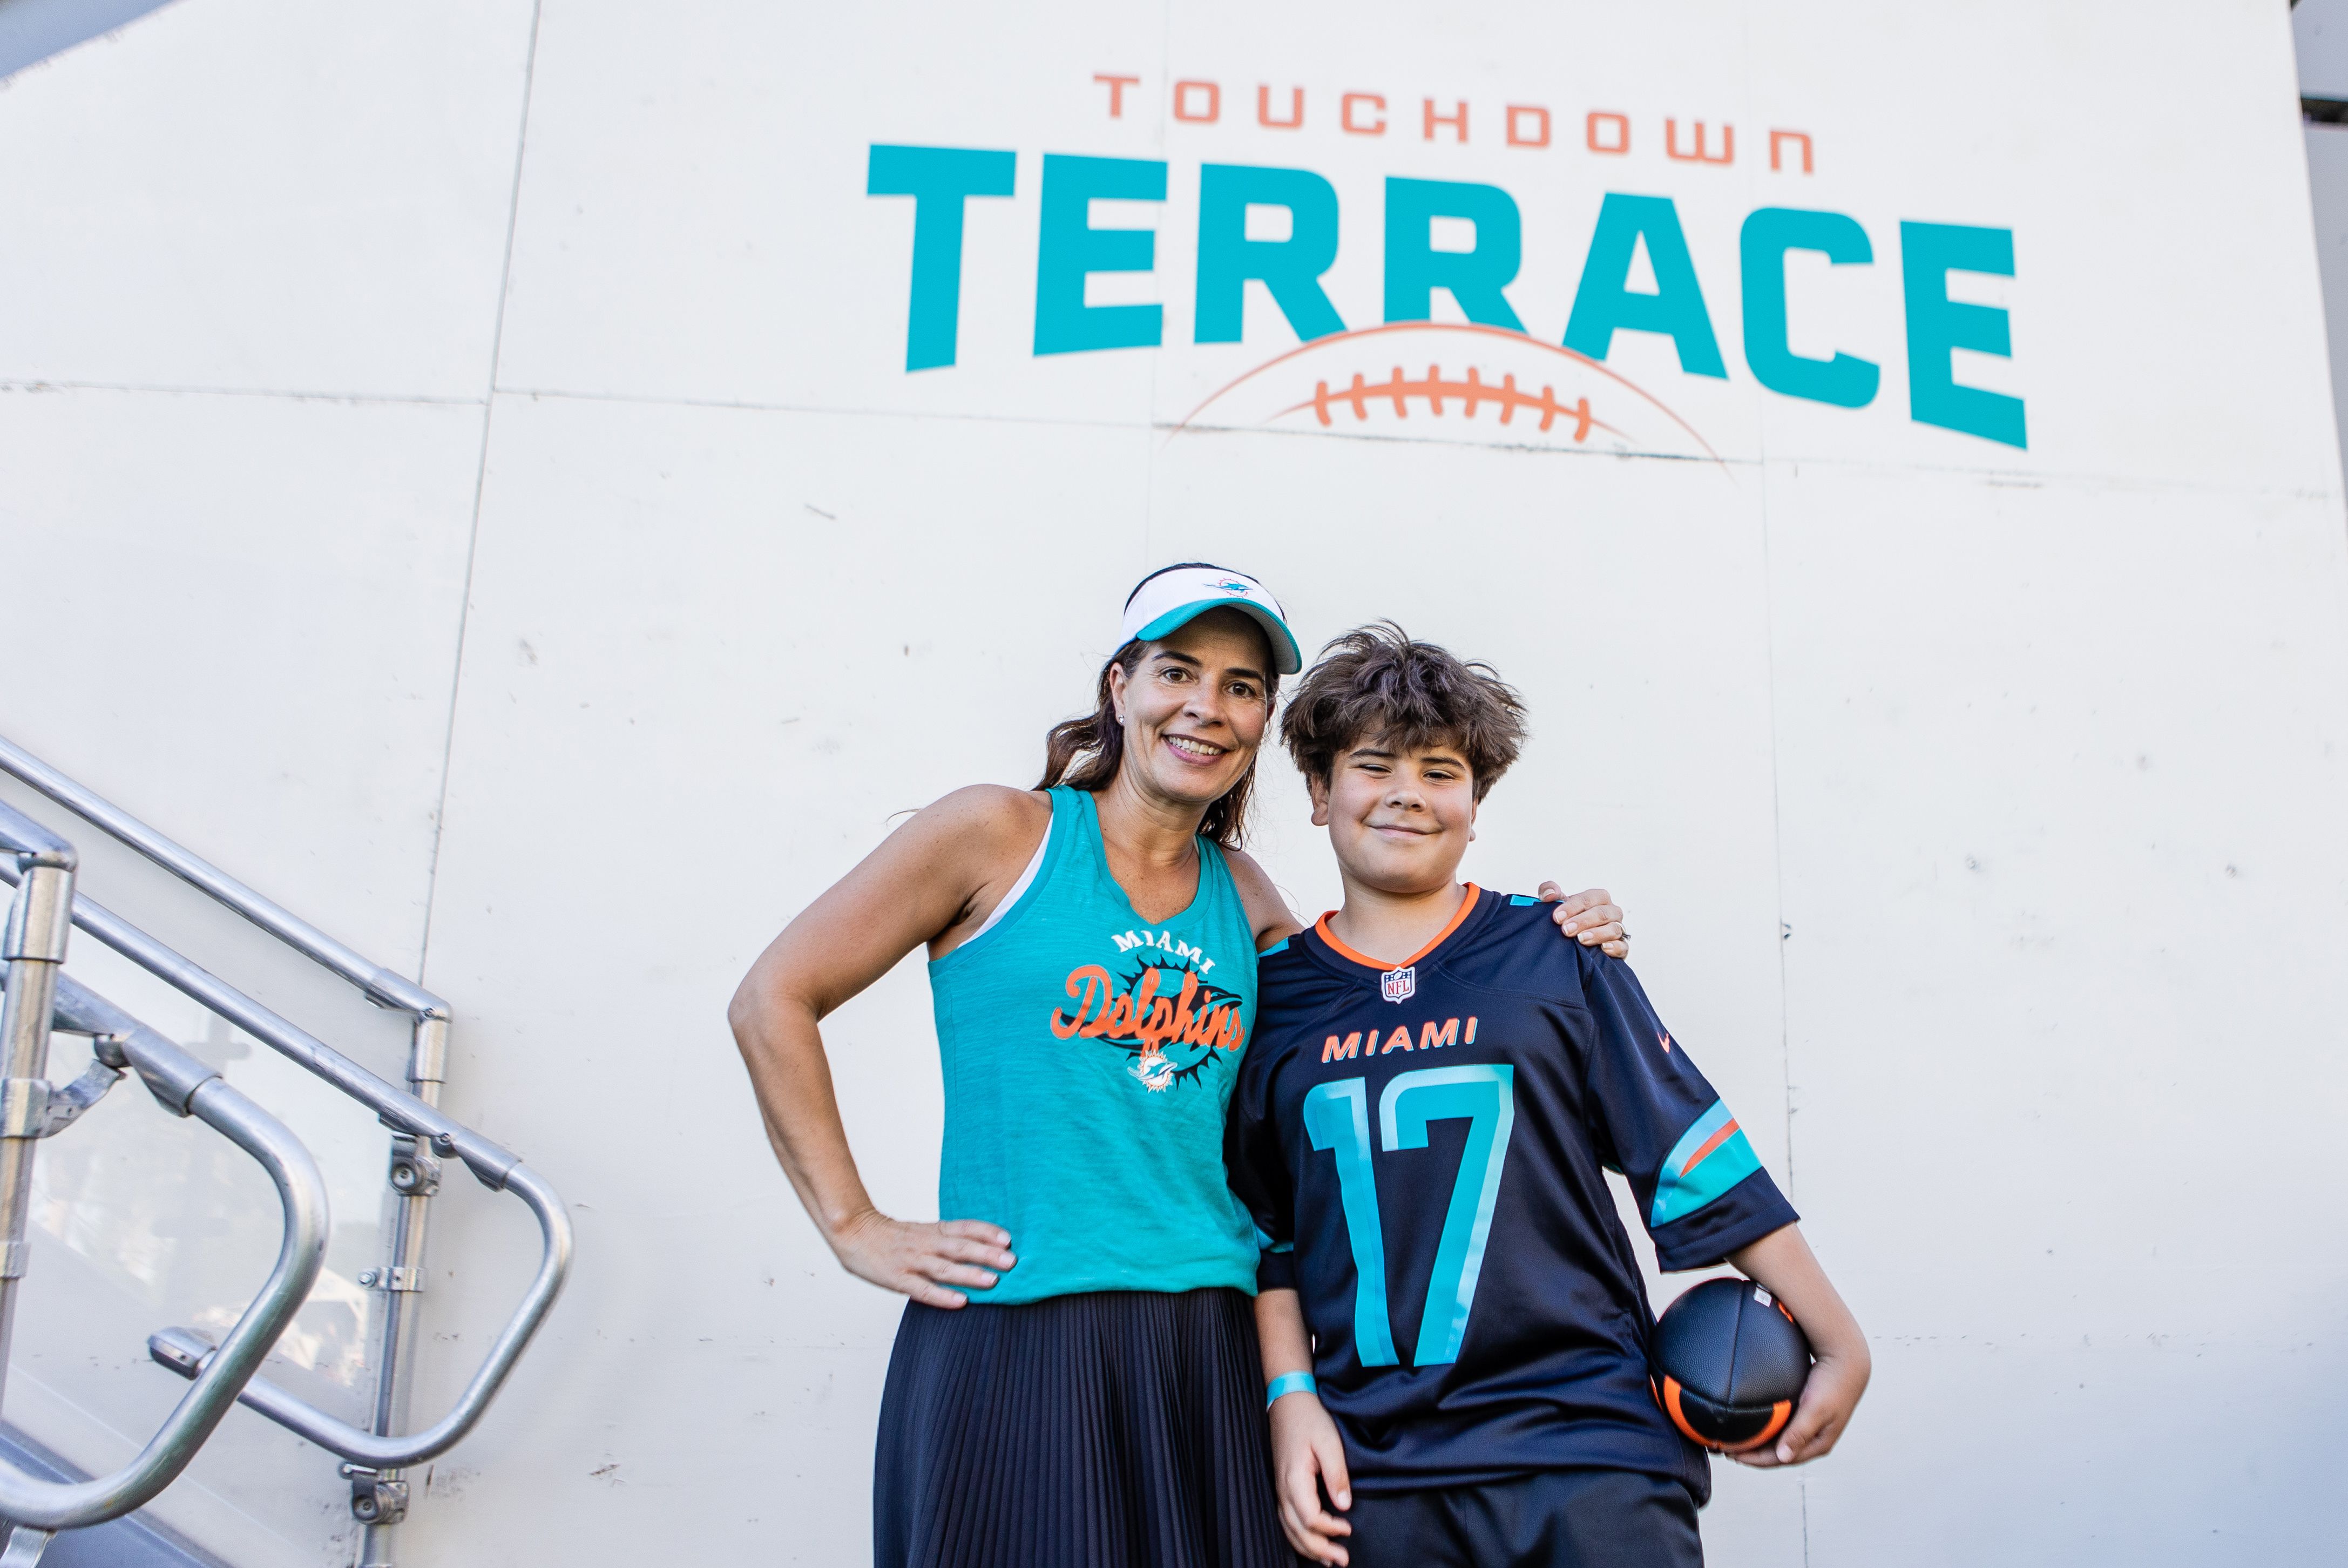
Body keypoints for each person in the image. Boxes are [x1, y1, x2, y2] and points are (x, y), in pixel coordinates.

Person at [727, 566, 1630, 1568]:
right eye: (1177, 671)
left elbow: (1390, 991)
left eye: (1242, 686)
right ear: (1120, 687)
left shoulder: (1246, 898)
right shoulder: (997, 837)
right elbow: (774, 998)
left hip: (1212, 1344)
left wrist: (1552, 934)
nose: (1207, 707)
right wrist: (853, 1225)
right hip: (1018, 1331)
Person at [1226, 625, 1870, 1568]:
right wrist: (1290, 1404)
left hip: (1585, 1448)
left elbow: (1690, 1156)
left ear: (1476, 806)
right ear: (1320, 793)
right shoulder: (1271, 996)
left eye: (1441, 772)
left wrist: (1839, 1339)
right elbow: (1269, 1236)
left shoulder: (1557, 952)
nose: (1407, 793)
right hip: (1377, 1473)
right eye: (1373, 767)